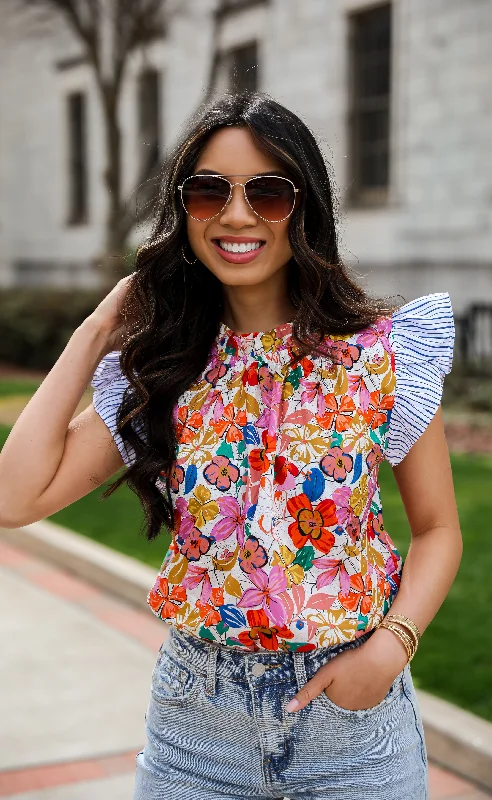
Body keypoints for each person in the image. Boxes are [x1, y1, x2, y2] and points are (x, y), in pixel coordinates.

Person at [0, 92, 462, 799]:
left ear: (304, 207)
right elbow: (15, 497)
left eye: (268, 193)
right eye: (209, 190)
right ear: (184, 209)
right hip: (197, 732)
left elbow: (437, 530)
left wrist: (391, 647)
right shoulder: (163, 368)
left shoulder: (381, 355)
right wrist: (94, 330)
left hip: (350, 732)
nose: (236, 215)